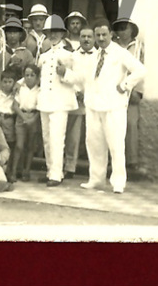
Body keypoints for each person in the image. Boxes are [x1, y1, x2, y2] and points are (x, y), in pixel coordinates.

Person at [61, 19, 146, 194]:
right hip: (93, 105)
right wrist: (66, 74)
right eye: (97, 35)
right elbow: (82, 79)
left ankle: (118, 181)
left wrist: (125, 85)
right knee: (94, 145)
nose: (100, 38)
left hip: (114, 106)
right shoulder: (94, 56)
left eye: (104, 34)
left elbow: (140, 70)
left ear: (111, 34)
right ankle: (96, 179)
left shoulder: (119, 53)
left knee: (116, 145)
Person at [35, 14, 76, 187]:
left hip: (60, 101)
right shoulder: (43, 56)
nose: (53, 35)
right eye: (50, 32)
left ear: (62, 34)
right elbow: (38, 76)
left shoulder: (69, 56)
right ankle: (50, 170)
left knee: (57, 137)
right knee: (46, 137)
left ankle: (57, 174)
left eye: (57, 32)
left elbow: (78, 78)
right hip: (45, 100)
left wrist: (64, 73)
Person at [114, 16, 149, 181]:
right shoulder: (113, 47)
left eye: (125, 27)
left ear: (132, 30)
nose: (122, 31)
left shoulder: (138, 47)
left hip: (131, 91)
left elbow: (142, 68)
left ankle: (132, 161)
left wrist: (138, 91)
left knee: (131, 124)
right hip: (113, 90)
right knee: (113, 125)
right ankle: (113, 159)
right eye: (119, 28)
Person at [63, 25, 93, 179]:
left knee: (94, 135)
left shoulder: (99, 56)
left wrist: (87, 93)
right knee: (72, 136)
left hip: (94, 100)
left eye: (89, 36)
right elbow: (67, 75)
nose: (86, 39)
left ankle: (95, 170)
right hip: (76, 99)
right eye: (83, 36)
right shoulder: (73, 56)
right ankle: (69, 166)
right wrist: (76, 92)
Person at [12, 62, 41, 181]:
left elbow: (40, 107)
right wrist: (24, 117)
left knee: (30, 146)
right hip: (21, 117)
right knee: (19, 145)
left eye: (32, 75)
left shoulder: (40, 90)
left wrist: (32, 119)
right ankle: (13, 171)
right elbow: (15, 106)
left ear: (37, 77)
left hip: (34, 117)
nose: (29, 78)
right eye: (27, 75)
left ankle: (26, 171)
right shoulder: (20, 89)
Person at [0, 70, 17, 160]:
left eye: (10, 82)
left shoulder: (15, 96)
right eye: (5, 82)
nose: (7, 84)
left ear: (14, 83)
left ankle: (7, 166)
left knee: (9, 142)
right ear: (1, 82)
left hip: (8, 119)